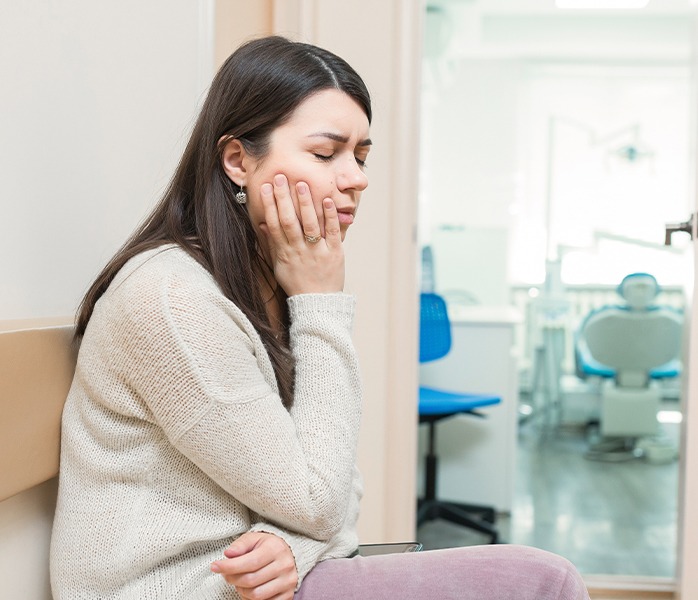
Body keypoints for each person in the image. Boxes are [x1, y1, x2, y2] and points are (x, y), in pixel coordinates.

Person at [49, 35, 589, 600]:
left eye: (360, 155)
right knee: (544, 582)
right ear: (237, 160)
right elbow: (319, 500)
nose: (356, 178)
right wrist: (321, 301)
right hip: (180, 590)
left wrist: (294, 545)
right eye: (326, 153)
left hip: (260, 580)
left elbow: (337, 485)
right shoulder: (171, 299)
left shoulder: (264, 281)